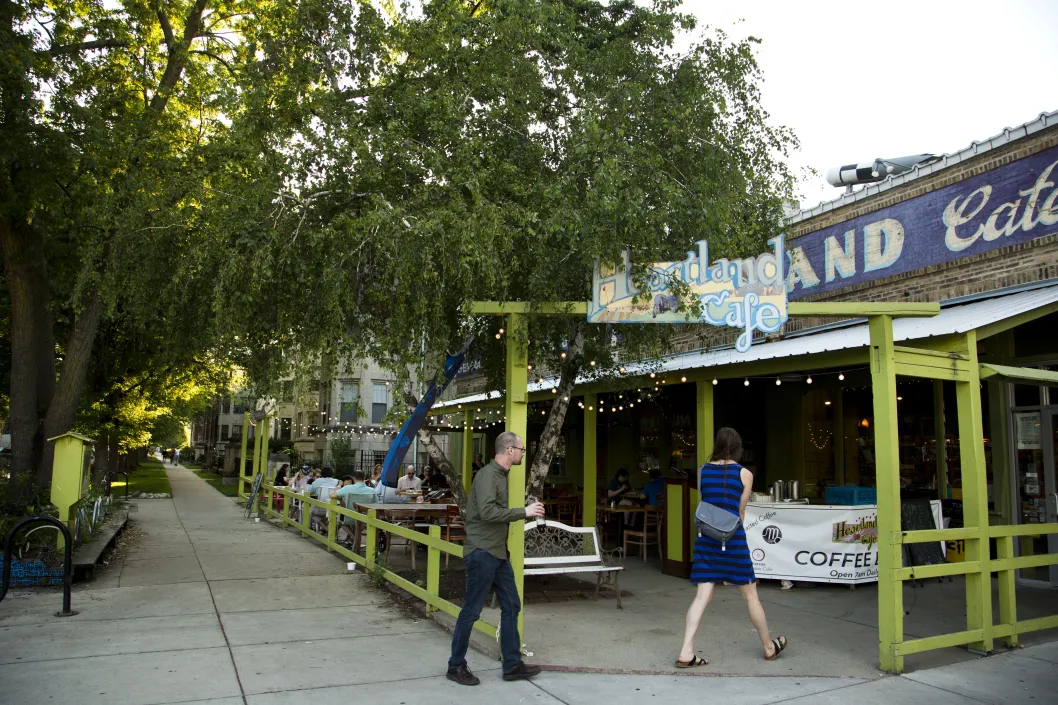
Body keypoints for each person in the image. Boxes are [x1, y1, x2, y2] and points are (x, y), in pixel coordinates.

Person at [676, 427, 788, 667]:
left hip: (706, 539)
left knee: (701, 596)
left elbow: (707, 503)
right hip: (733, 541)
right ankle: (769, 647)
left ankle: (686, 651)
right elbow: (740, 511)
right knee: (750, 596)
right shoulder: (745, 474)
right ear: (738, 448)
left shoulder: (703, 471)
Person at [447, 431, 545, 686]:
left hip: (497, 552)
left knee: (511, 604)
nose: (523, 453)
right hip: (482, 552)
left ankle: (512, 665)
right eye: (521, 449)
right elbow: (489, 512)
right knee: (471, 610)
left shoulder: (500, 475)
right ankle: (455, 665)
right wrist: (525, 512)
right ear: (509, 450)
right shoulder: (489, 475)